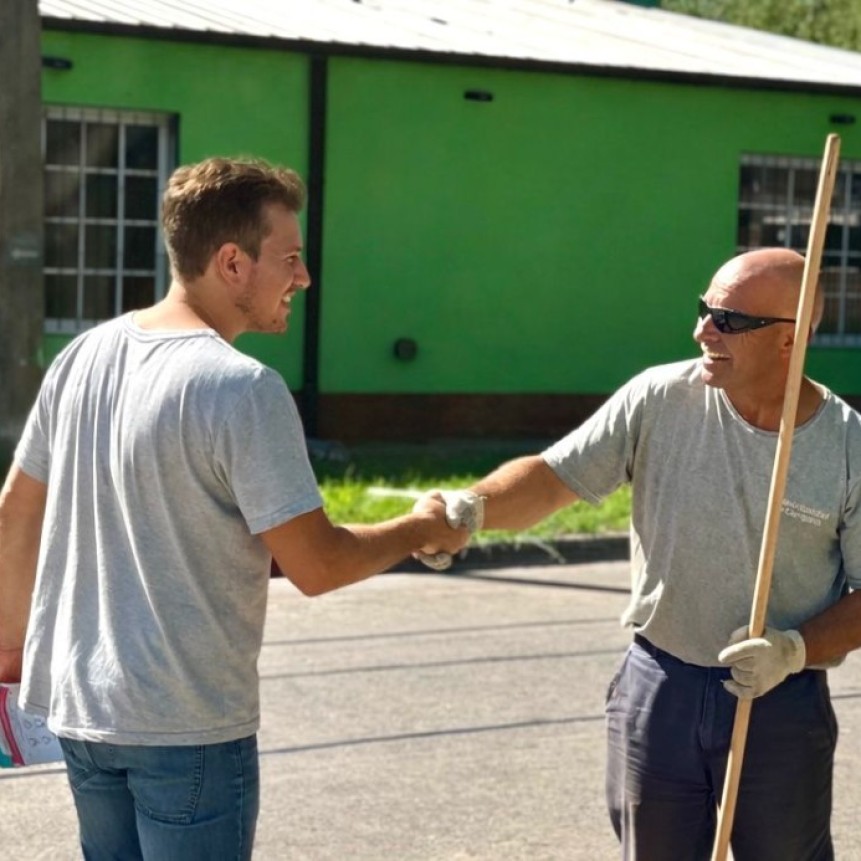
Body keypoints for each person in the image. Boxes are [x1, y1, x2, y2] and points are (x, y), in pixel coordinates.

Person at [0, 156, 468, 861]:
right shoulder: (240, 388)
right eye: (290, 257)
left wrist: (12, 650)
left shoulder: (83, 355)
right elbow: (315, 563)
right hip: (185, 726)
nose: (303, 278)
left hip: (82, 713)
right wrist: (421, 528)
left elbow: (14, 515)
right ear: (231, 262)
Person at [422, 247, 861, 861]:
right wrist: (474, 510)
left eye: (728, 320)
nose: (702, 329)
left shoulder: (846, 446)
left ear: (790, 340)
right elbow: (553, 477)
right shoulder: (659, 397)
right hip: (660, 685)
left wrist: (794, 650)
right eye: (704, 308)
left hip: (779, 703)